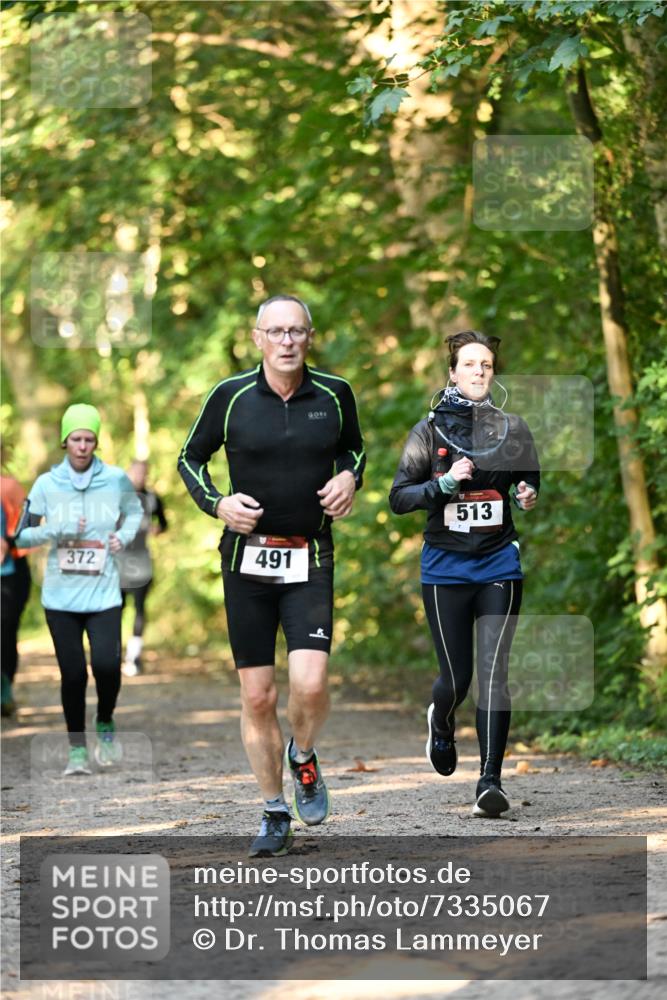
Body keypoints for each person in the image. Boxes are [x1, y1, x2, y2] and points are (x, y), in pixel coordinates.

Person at [178, 294, 365, 856]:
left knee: (310, 684)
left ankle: (302, 756)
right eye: (276, 331)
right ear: (258, 338)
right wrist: (218, 503)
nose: (287, 341)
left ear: (310, 337)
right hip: (246, 562)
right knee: (258, 696)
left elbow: (354, 451)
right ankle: (274, 810)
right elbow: (189, 458)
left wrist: (350, 478)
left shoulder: (334, 393)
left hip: (310, 556)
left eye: (296, 331)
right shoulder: (230, 396)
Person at [389, 330, 540, 817]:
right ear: (452, 373)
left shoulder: (513, 429)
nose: (479, 371)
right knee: (457, 678)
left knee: (495, 674)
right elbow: (399, 498)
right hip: (445, 567)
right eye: (470, 364)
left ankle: (490, 781)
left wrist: (527, 493)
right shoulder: (429, 431)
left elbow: (529, 478)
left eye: (487, 365)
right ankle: (442, 717)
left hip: (498, 562)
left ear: (494, 374)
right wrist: (445, 484)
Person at [15, 404, 143, 775]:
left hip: (104, 594)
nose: (83, 446)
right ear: (64, 441)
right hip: (60, 598)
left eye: (89, 439)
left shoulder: (116, 479)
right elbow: (21, 535)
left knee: (107, 667)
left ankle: (105, 719)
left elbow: (135, 512)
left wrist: (122, 536)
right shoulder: (46, 485)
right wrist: (56, 529)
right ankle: (76, 750)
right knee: (73, 675)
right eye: (76, 439)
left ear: (96, 441)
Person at [118, 459, 168, 676]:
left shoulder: (153, 498)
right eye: (136, 473)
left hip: (141, 562)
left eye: (143, 473)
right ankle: (112, 654)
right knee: (114, 610)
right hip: (117, 562)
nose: (139, 477)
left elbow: (163, 523)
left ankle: (134, 657)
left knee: (139, 608)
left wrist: (158, 529)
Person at [1, 472, 32, 717]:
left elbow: (29, 529)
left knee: (6, 630)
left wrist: (7, 542)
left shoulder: (9, 487)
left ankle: (4, 691)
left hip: (11, 574)